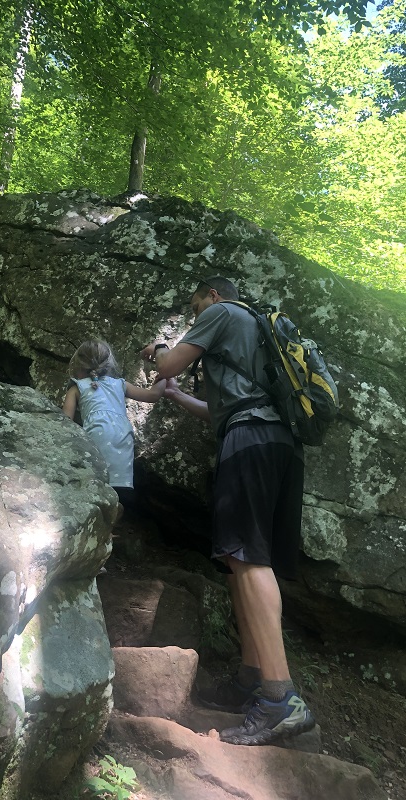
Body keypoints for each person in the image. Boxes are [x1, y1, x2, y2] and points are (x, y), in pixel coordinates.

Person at [141, 275, 315, 746]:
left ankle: (280, 700)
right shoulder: (256, 333)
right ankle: (251, 680)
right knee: (248, 562)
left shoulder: (223, 313)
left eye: (197, 306)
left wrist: (158, 348)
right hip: (280, 443)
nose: (197, 316)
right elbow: (223, 411)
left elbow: (168, 363)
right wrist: (179, 396)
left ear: (214, 297)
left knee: (247, 558)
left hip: (249, 441)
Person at [62, 340, 165, 508]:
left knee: (95, 486)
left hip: (95, 435)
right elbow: (153, 395)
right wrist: (164, 374)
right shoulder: (120, 384)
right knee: (116, 490)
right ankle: (114, 519)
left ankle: (98, 521)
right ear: (109, 364)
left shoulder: (77, 387)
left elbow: (65, 421)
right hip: (122, 436)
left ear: (79, 365)